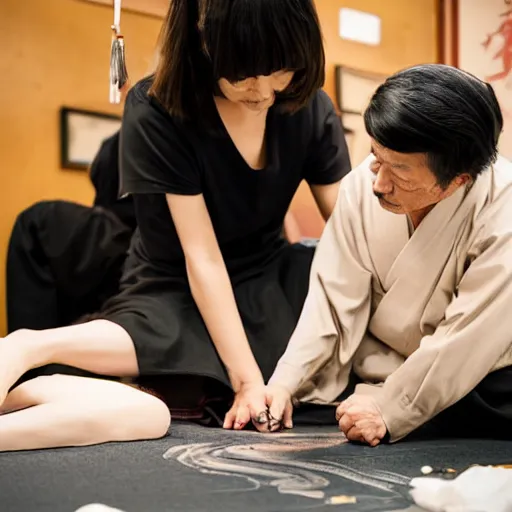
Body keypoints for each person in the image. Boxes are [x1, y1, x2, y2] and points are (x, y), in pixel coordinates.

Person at [0, 0, 351, 451]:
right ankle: (32, 346)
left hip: (266, 272)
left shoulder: (309, 107)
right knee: (167, 333)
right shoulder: (158, 107)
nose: (263, 92)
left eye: (280, 70)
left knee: (323, 283)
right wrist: (247, 382)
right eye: (244, 73)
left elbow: (350, 233)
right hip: (176, 281)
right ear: (204, 42)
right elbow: (201, 257)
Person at [256, 63, 512, 445]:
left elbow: (464, 339)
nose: (378, 183)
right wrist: (284, 383)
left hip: (477, 374)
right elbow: (332, 299)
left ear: (457, 180)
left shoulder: (502, 211)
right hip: (378, 366)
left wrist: (390, 409)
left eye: (400, 171)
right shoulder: (361, 185)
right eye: (376, 157)